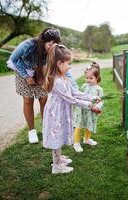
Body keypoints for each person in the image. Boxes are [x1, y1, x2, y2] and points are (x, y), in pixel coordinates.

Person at [7, 27, 77, 144]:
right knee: (28, 99)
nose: (52, 47)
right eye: (50, 44)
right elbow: (13, 59)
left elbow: (65, 69)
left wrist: (75, 89)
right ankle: (32, 131)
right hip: (23, 70)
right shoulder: (28, 45)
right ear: (43, 41)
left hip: (40, 72)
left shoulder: (54, 51)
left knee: (43, 98)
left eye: (55, 44)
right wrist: (26, 76)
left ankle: (47, 128)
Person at [42, 44, 101, 174]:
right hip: (55, 114)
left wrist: (91, 97)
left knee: (59, 134)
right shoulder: (57, 81)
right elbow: (71, 99)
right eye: (68, 63)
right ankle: (56, 166)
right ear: (59, 63)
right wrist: (89, 105)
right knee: (56, 136)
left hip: (60, 112)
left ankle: (58, 158)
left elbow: (74, 92)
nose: (70, 66)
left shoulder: (63, 77)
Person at [73, 62, 104, 152]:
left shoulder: (99, 89)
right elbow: (79, 96)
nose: (88, 80)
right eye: (86, 78)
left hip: (91, 111)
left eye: (91, 78)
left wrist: (97, 107)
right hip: (81, 110)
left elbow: (101, 100)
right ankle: (76, 143)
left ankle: (87, 139)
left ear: (96, 78)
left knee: (88, 125)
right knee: (78, 126)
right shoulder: (83, 86)